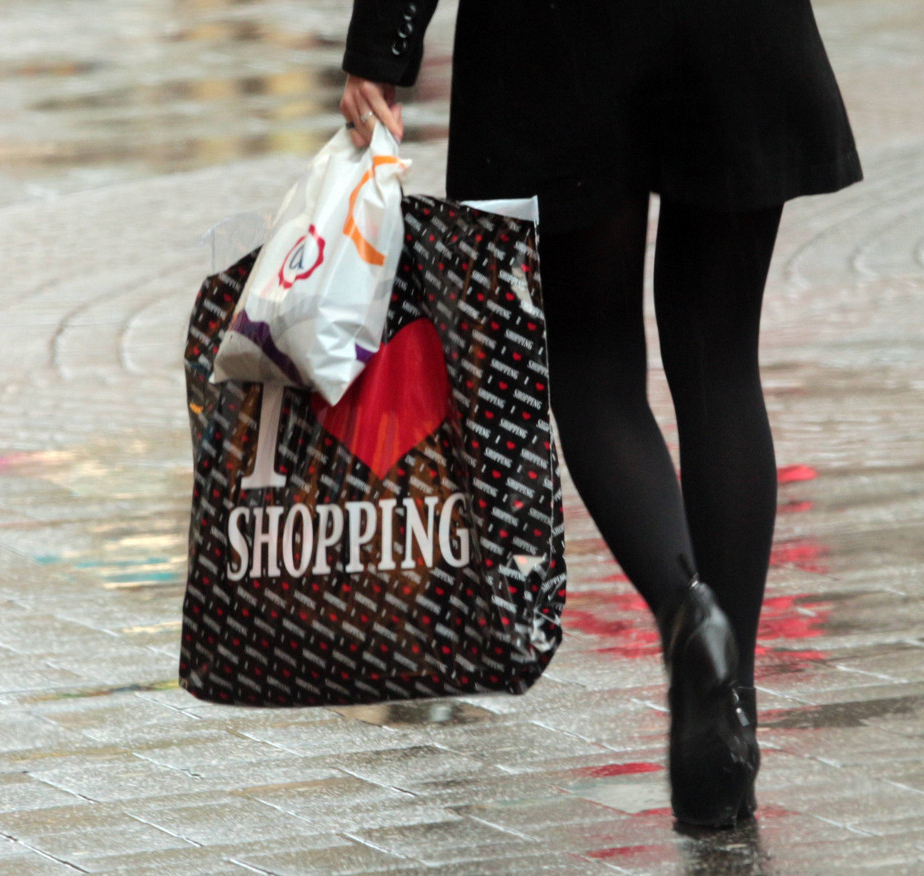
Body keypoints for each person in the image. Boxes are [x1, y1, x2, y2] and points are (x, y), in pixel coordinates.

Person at [339, 0, 861, 828]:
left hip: (555, 42)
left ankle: (688, 614)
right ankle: (730, 720)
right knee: (722, 361)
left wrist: (380, 46)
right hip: (730, 30)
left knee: (594, 363)